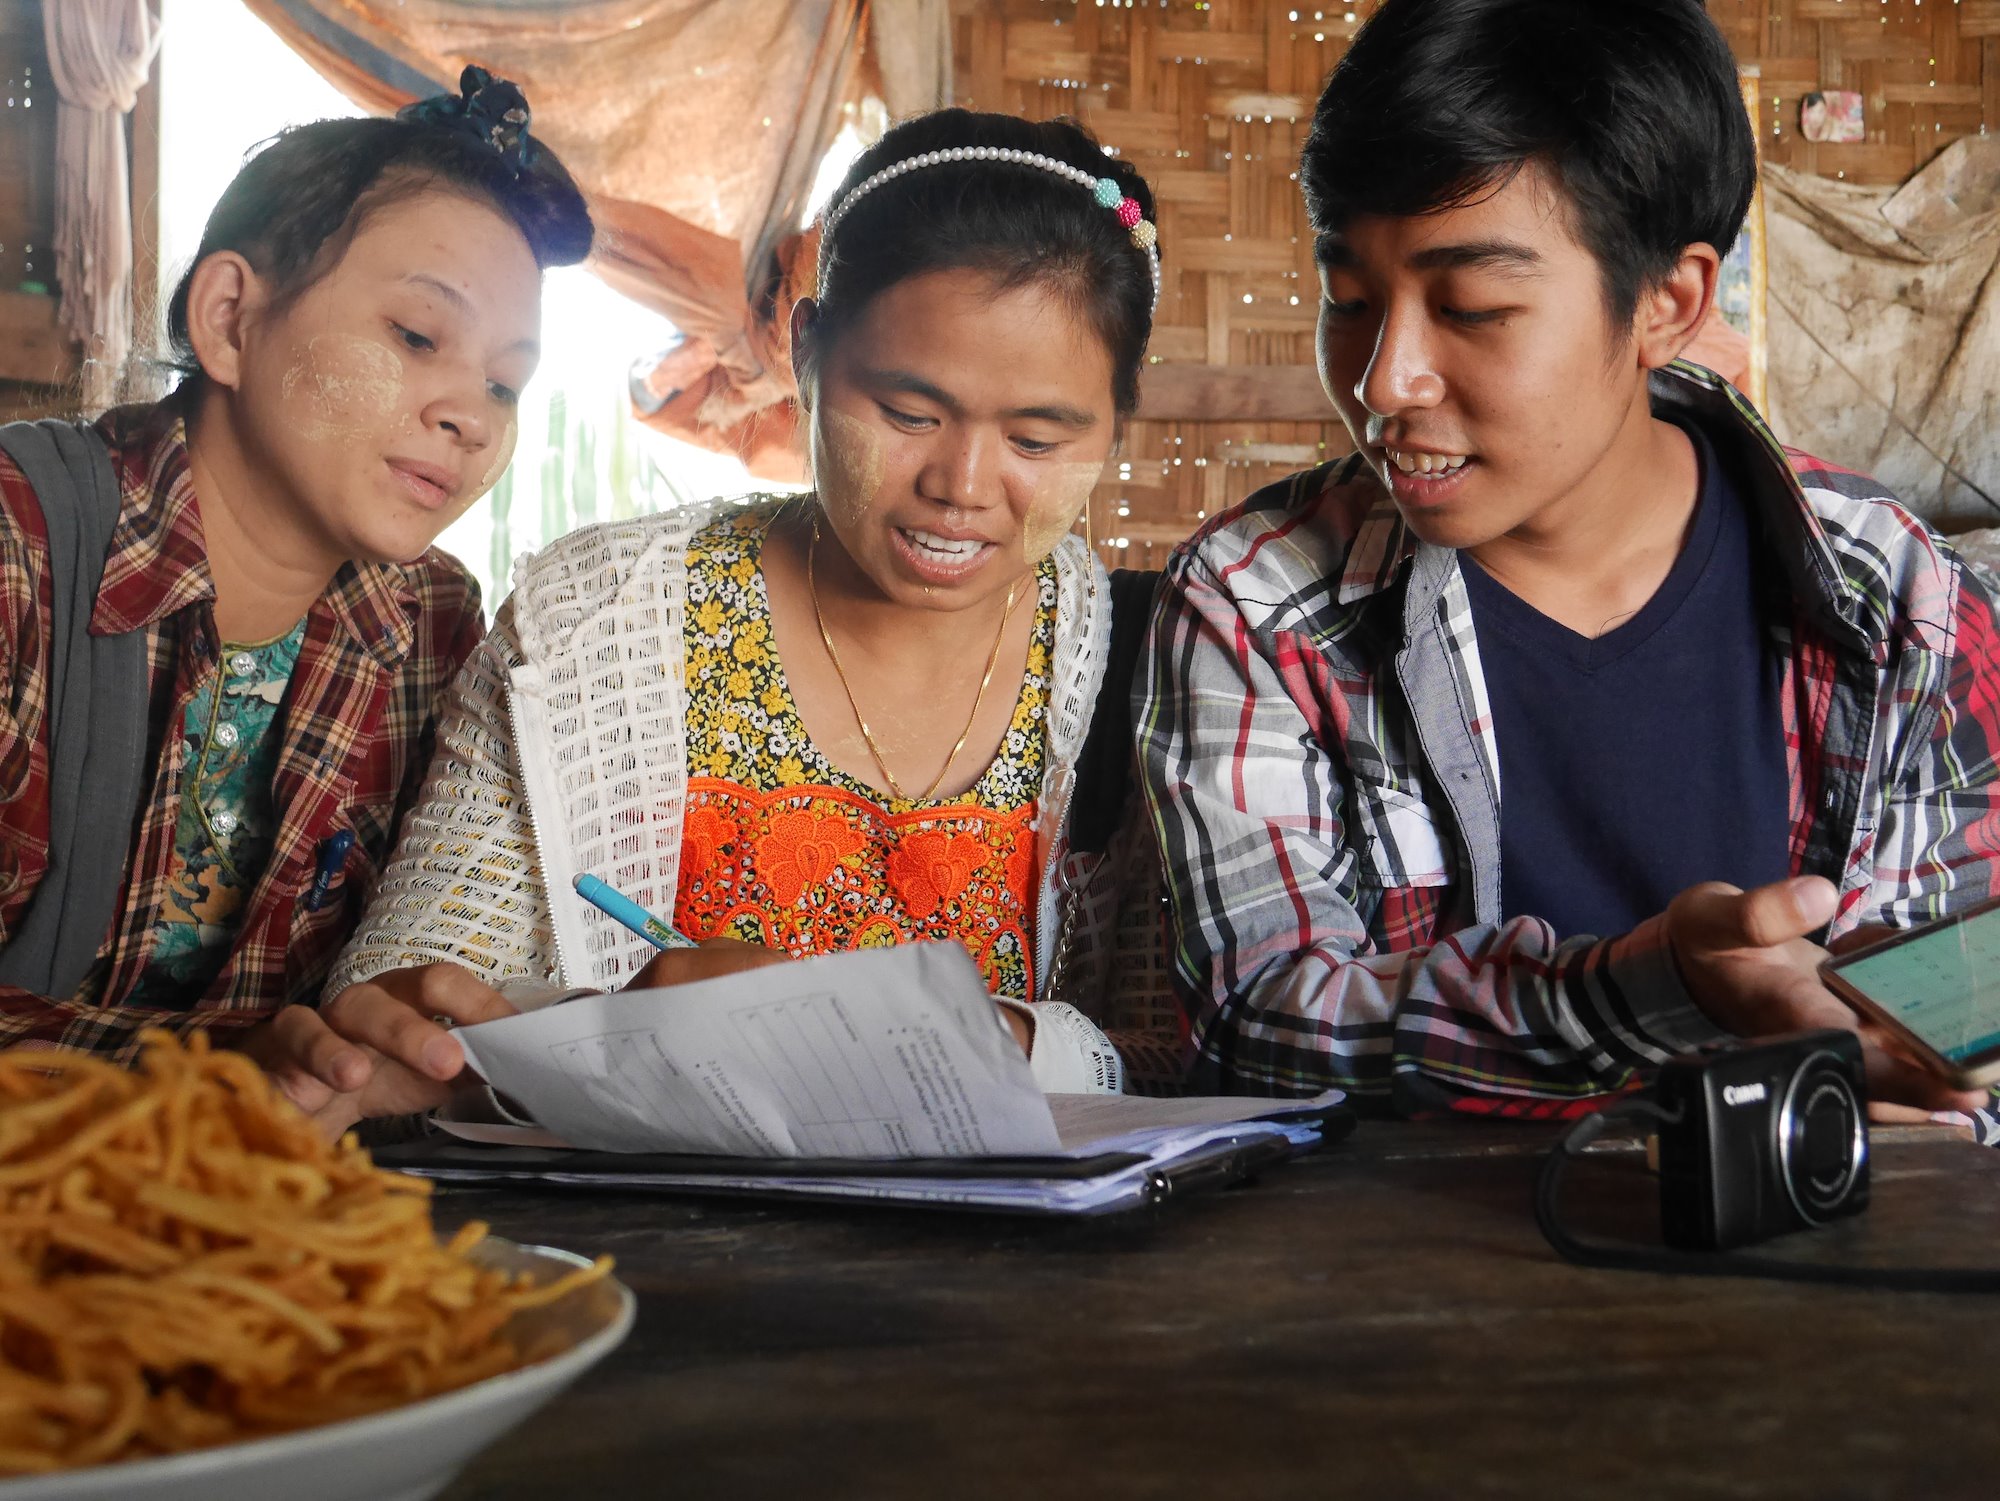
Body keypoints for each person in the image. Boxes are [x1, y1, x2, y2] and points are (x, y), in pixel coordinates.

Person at [1136, 0, 2000, 1131]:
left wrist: (1908, 1083)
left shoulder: (1899, 597)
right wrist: (1640, 992)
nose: (1384, 378)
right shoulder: (1257, 602)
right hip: (1397, 1286)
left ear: (1667, 302)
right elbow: (1256, 1025)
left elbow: (1953, 1027)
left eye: (1472, 308)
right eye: (1349, 300)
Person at [267, 110, 1182, 1138]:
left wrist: (929, 1034)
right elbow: (416, 988)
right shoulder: (599, 621)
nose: (960, 487)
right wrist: (612, 1038)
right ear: (805, 352)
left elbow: (1199, 1058)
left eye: (1035, 435)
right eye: (908, 414)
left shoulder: (1155, 661)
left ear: (1114, 423)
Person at [0, 68, 592, 1056]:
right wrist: (233, 1083)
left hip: (261, 1194)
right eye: (415, 334)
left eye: (504, 381)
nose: (471, 413)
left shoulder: (431, 625)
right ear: (230, 318)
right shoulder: (20, 546)